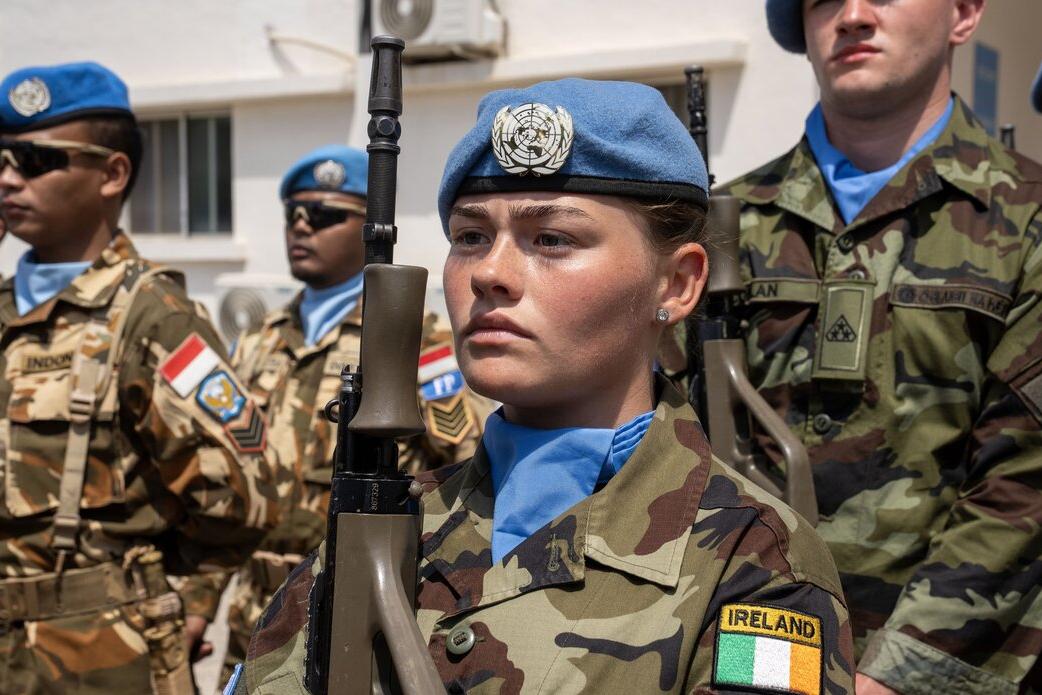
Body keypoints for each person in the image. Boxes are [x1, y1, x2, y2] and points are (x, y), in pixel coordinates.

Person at [229, 78, 854, 694]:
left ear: (678, 284)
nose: (490, 273)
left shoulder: (756, 565)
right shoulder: (388, 526)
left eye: (552, 239)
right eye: (470, 237)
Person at [723, 2, 1042, 693]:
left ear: (963, 13)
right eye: (823, 0)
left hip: (957, 666)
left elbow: (1024, 483)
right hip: (756, 650)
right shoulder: (724, 226)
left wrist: (892, 678)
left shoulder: (1029, 220)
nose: (853, 15)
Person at [0, 61, 282, 693]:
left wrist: (185, 597)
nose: (7, 177)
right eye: (0, 159)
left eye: (34, 159)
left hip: (100, 655)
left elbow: (245, 495)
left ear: (112, 173)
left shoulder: (153, 318)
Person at [192, 144, 491, 685]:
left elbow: (461, 459)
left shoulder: (409, 338)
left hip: (354, 590)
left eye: (325, 216)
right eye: (293, 215)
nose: (301, 228)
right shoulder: (259, 339)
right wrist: (199, 599)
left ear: (366, 228)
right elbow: (226, 483)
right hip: (255, 605)